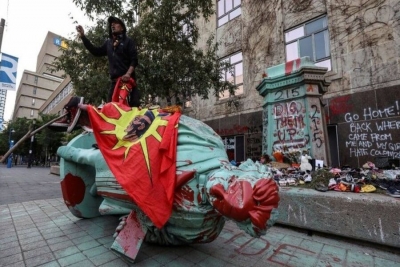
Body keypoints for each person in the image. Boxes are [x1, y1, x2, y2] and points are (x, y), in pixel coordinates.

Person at [76, 16, 140, 107]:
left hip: (128, 82)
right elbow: (96, 51)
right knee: (110, 108)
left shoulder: (128, 41)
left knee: (132, 108)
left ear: (122, 28)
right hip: (114, 83)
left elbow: (134, 60)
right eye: (111, 24)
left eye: (115, 23)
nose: (112, 25)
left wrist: (128, 74)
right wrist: (83, 36)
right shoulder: (109, 43)